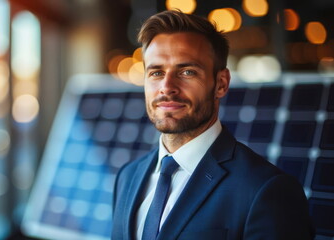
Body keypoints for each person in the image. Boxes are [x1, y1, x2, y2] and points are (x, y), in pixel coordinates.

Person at [111, 10, 314, 240]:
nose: (166, 87)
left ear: (221, 83)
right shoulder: (127, 178)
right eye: (156, 72)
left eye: (187, 71)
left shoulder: (267, 190)